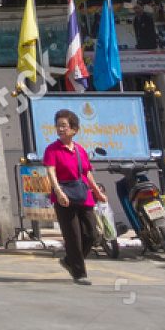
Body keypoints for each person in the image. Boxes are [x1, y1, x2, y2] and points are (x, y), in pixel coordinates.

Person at [43, 108, 107, 285]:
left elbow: (87, 173)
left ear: (74, 129)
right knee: (73, 238)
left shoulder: (80, 150)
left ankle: (69, 261)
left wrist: (97, 192)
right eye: (58, 125)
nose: (60, 129)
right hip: (64, 197)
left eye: (64, 126)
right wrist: (58, 192)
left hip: (83, 195)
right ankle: (79, 273)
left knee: (92, 234)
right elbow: (51, 172)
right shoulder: (52, 150)